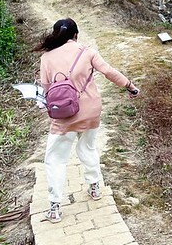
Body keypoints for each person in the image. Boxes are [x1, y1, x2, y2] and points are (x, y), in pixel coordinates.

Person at [34, 18, 140, 223]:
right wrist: (130, 86)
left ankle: (55, 208)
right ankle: (94, 188)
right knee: (88, 149)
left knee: (56, 160)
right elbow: (109, 72)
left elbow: (46, 91)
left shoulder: (47, 57)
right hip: (91, 111)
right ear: (76, 35)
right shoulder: (87, 52)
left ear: (56, 35)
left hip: (65, 115)